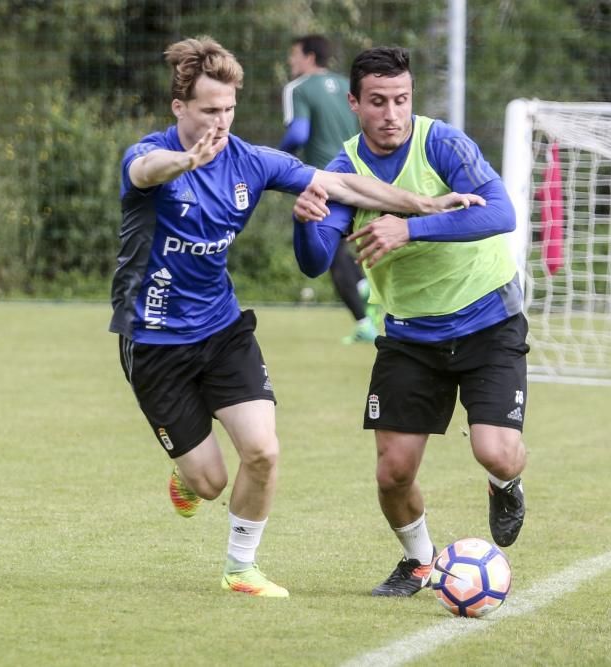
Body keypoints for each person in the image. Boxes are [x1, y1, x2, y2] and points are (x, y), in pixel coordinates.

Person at [110, 36, 475, 599]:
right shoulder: (150, 155)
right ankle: (186, 475)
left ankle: (241, 568)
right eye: (209, 110)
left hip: (222, 330)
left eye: (229, 109)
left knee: (263, 450)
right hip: (154, 341)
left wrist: (427, 204)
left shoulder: (251, 161)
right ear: (179, 108)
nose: (221, 121)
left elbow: (343, 183)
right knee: (209, 482)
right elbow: (147, 172)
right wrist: (186, 160)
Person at [292, 46, 529, 597]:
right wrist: (306, 221)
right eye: (377, 102)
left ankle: (505, 484)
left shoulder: (441, 142)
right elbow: (315, 259)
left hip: (488, 318)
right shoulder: (343, 171)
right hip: (410, 334)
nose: (392, 114)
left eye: (401, 100)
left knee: (494, 450)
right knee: (392, 472)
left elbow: (500, 213)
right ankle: (420, 562)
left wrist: (410, 227)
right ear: (354, 103)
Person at [280, 35, 380, 344]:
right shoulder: (346, 87)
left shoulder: (298, 88)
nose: (291, 62)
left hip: (324, 181)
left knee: (329, 255)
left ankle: (365, 321)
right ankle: (366, 287)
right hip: (361, 175)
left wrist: (276, 161)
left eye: (294, 55)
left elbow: (299, 132)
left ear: (309, 57)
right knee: (346, 247)